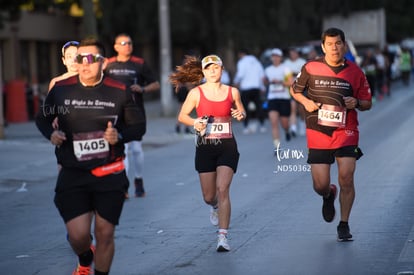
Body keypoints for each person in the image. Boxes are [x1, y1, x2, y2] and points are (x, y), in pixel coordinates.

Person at [35, 37, 146, 275]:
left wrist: (119, 135)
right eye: (79, 59)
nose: (84, 64)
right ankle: (85, 257)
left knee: (105, 234)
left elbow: (138, 127)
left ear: (103, 62)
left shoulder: (119, 91)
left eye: (91, 58)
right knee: (78, 236)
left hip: (109, 173)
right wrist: (51, 134)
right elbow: (42, 118)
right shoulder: (62, 91)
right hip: (73, 172)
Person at [289, 28, 372, 242]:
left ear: (344, 45)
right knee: (320, 185)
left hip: (347, 130)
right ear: (323, 46)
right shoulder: (311, 67)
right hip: (318, 130)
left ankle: (343, 224)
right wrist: (306, 102)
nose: (334, 48)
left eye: (338, 43)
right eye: (330, 44)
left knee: (347, 176)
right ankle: (328, 194)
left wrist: (357, 103)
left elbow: (367, 102)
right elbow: (295, 89)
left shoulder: (356, 72)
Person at [169, 54, 246, 252]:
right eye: (208, 68)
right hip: (205, 145)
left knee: (223, 190)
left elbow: (241, 112)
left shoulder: (232, 92)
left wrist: (239, 114)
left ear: (222, 69)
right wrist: (195, 122)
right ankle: (214, 207)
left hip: (227, 146)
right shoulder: (196, 93)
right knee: (209, 196)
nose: (212, 71)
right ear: (203, 72)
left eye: (216, 67)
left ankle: (223, 237)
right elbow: (182, 116)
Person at [105, 33, 160, 199]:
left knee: (136, 148)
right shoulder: (108, 64)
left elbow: (155, 84)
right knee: (123, 148)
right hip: (115, 112)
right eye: (122, 43)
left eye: (129, 42)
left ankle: (138, 180)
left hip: (135, 112)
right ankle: (124, 186)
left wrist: (142, 89)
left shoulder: (139, 63)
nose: (126, 45)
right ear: (115, 47)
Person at [263, 48, 294, 149]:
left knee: (284, 123)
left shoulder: (285, 69)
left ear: (281, 57)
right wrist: (265, 82)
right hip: (272, 98)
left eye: (277, 56)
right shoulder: (267, 70)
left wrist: (279, 82)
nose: (275, 58)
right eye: (273, 56)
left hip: (284, 98)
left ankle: (287, 130)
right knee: (274, 122)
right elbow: (265, 82)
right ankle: (277, 147)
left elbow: (291, 82)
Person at [233, 48, 266, 134]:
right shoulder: (256, 62)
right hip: (256, 87)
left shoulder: (242, 62)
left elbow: (240, 74)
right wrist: (262, 87)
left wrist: (235, 83)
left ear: (241, 54)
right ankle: (262, 126)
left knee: (244, 108)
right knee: (259, 107)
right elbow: (261, 75)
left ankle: (246, 127)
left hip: (246, 88)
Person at [283, 47, 306, 137]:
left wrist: (294, 73)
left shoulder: (302, 61)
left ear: (297, 54)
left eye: (294, 53)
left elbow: (303, 74)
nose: (292, 55)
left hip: (301, 88)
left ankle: (302, 123)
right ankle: (293, 128)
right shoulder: (286, 63)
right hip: (290, 89)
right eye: (291, 53)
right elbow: (285, 75)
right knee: (292, 108)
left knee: (301, 108)